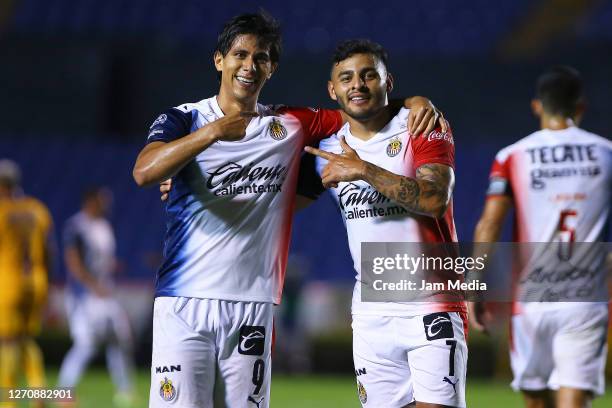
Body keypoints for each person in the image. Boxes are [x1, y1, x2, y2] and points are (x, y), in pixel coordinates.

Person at [133, 11, 445, 408]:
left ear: (271, 67)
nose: (249, 66)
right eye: (240, 55)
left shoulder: (291, 123)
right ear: (219, 60)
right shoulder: (186, 117)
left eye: (260, 58)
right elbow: (144, 171)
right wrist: (212, 133)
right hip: (182, 301)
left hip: (253, 305)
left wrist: (416, 102)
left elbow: (363, 107)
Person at [303, 39, 467, 408]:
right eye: (346, 78)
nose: (357, 85)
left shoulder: (420, 124)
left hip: (431, 304)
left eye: (367, 76)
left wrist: (363, 169)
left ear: (387, 82)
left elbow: (433, 199)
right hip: (370, 313)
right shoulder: (325, 148)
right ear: (333, 90)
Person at [470, 66, 611, 408]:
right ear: (581, 107)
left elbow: (490, 223)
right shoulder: (606, 152)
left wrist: (474, 284)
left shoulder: (512, 157)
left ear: (537, 106)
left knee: (535, 401)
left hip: (531, 300)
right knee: (574, 400)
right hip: (585, 298)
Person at [58, 186, 135, 407]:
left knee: (120, 339)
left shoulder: (103, 226)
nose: (107, 204)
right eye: (102, 200)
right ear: (91, 201)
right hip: (84, 294)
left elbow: (103, 261)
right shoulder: (77, 226)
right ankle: (64, 392)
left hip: (105, 292)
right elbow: (73, 263)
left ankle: (125, 391)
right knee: (86, 343)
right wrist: (93, 285)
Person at [0, 159, 52, 408]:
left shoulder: (2, 211)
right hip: (36, 282)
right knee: (26, 339)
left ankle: (8, 401)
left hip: (8, 283)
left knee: (6, 341)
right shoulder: (37, 209)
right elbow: (49, 251)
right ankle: (38, 391)